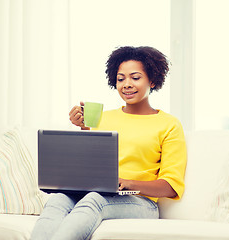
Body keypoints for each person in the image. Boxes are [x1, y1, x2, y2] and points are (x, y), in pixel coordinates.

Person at [31, 46, 187, 240]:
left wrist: (128, 183)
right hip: (94, 193)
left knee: (94, 201)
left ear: (153, 80)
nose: (126, 84)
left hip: (140, 202)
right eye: (121, 78)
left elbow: (170, 186)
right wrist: (82, 127)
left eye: (135, 77)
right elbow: (88, 166)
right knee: (57, 200)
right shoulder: (102, 118)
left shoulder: (169, 124)